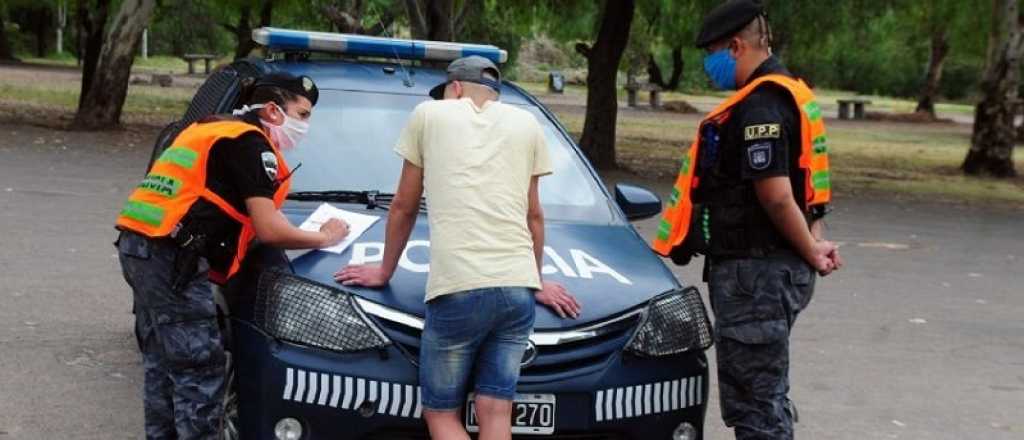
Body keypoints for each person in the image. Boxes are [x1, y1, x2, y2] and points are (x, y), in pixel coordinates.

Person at [334, 56, 581, 440]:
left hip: (458, 289)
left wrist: (384, 271)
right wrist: (536, 278)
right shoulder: (527, 123)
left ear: (456, 87)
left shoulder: (429, 114)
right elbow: (534, 215)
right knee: (496, 411)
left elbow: (403, 204)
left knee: (441, 415)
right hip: (518, 292)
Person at [114, 72, 349, 439]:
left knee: (163, 363)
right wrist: (323, 237)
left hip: (140, 246)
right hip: (172, 258)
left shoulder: (212, 128)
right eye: (302, 115)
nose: (305, 126)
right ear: (273, 110)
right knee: (199, 368)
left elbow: (246, 208)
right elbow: (270, 230)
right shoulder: (251, 144)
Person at [651, 1, 844, 439]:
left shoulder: (760, 107)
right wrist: (813, 243)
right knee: (766, 395)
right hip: (772, 272)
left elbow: (777, 196)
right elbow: (811, 188)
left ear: (735, 47)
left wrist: (811, 249)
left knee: (754, 406)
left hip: (756, 275)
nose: (709, 64)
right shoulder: (794, 95)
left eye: (713, 52)